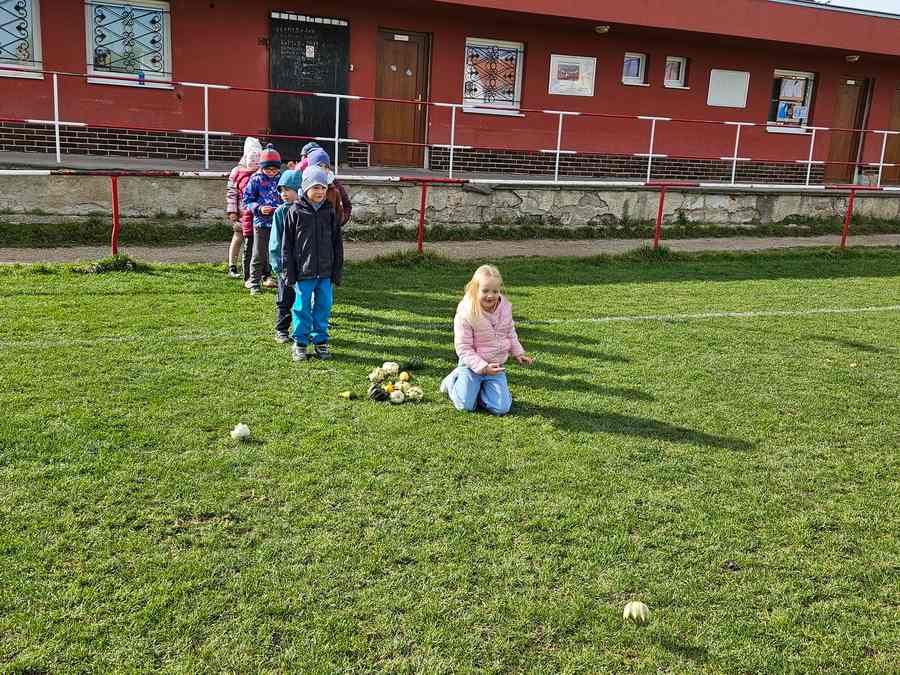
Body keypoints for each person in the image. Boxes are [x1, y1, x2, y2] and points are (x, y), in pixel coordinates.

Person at [440, 265, 534, 415]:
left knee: (501, 408)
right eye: (485, 291)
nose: (490, 296)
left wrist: (518, 353)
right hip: (471, 366)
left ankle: (481, 391)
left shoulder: (504, 309)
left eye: (495, 291)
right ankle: (453, 381)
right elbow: (463, 347)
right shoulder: (466, 312)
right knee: (465, 406)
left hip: (495, 366)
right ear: (474, 290)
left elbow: (510, 332)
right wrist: (483, 367)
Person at [281, 166, 344, 361]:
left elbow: (337, 243)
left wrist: (336, 271)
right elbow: (287, 245)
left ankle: (320, 341)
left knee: (323, 307)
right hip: (303, 272)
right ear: (306, 188)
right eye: (316, 187)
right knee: (302, 308)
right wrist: (288, 272)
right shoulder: (295, 211)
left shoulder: (330, 212)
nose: (320, 191)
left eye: (323, 188)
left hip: (325, 272)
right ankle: (300, 343)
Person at [242, 143, 282, 295]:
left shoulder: (282, 178)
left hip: (279, 222)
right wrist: (259, 208)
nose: (271, 172)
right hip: (261, 223)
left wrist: (282, 208)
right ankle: (254, 283)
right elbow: (247, 200)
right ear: (262, 167)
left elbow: (288, 195)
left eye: (274, 169)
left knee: (278, 252)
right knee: (259, 254)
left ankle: (281, 281)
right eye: (268, 169)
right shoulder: (256, 179)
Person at [268, 168, 301, 344]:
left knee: (302, 300)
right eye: (281, 190)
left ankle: (301, 330)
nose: (284, 194)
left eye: (288, 189)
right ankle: (281, 329)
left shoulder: (305, 210)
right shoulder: (280, 212)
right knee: (284, 299)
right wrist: (278, 265)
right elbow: (275, 241)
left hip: (303, 265)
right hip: (285, 265)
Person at [225, 137, 261, 279]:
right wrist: (232, 211)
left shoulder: (261, 172)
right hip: (241, 212)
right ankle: (232, 266)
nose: (255, 163)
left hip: (257, 213)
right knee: (238, 236)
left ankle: (253, 268)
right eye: (252, 158)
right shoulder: (237, 171)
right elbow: (231, 192)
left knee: (255, 241)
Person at [305, 148, 352, 226]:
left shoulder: (335, 185)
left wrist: (340, 221)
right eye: (319, 166)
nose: (323, 169)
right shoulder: (304, 185)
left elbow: (346, 204)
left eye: (326, 166)